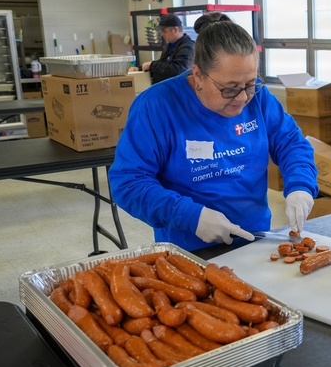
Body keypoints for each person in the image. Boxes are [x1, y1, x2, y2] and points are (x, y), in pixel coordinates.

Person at [109, 19, 318, 251]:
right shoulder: (156, 106)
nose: (242, 98)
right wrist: (191, 215)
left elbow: (291, 143)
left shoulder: (258, 98)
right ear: (198, 75)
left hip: (255, 238)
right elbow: (128, 182)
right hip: (189, 249)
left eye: (250, 84)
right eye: (229, 88)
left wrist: (300, 185)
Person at [139, 14, 195, 84]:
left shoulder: (187, 47)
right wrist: (140, 69)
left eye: (164, 31)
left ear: (175, 30)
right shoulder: (171, 45)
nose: (162, 34)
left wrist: (151, 65)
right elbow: (163, 65)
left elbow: (177, 70)